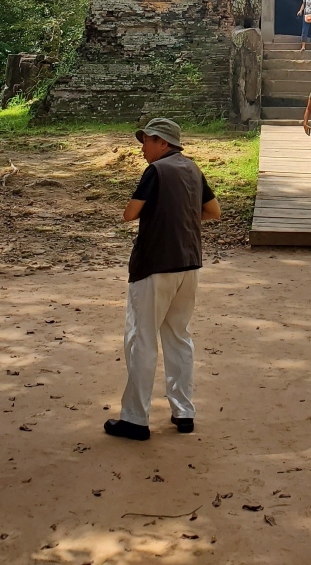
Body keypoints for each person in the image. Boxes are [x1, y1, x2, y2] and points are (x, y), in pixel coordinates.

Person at [104, 117, 220, 442]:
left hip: (154, 266)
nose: (143, 148)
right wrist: (179, 216)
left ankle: (135, 419)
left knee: (141, 339)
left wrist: (160, 214)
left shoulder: (156, 171)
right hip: (189, 264)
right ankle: (183, 411)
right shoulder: (193, 170)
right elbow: (213, 211)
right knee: (178, 337)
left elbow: (129, 213)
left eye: (147, 141)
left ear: (163, 143)